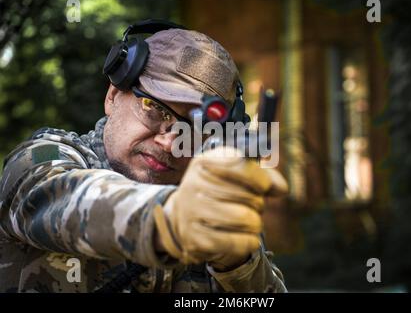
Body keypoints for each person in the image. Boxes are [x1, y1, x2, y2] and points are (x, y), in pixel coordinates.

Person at [0, 21, 288, 293]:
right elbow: (62, 197)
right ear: (113, 95)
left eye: (198, 127)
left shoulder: (213, 206)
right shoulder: (43, 159)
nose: (169, 141)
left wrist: (238, 264)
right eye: (154, 107)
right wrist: (172, 219)